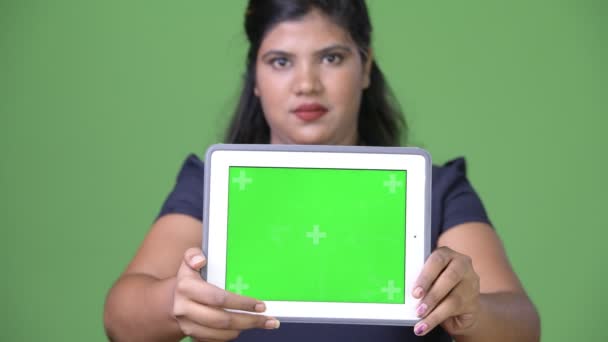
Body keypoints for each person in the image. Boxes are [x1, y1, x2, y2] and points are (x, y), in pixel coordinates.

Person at [103, 1, 540, 341]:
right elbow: (121, 319)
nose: (307, 83)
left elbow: (522, 326)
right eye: (280, 61)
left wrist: (473, 309)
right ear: (254, 76)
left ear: (366, 67)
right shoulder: (211, 185)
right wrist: (174, 301)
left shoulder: (437, 190)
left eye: (331, 58)